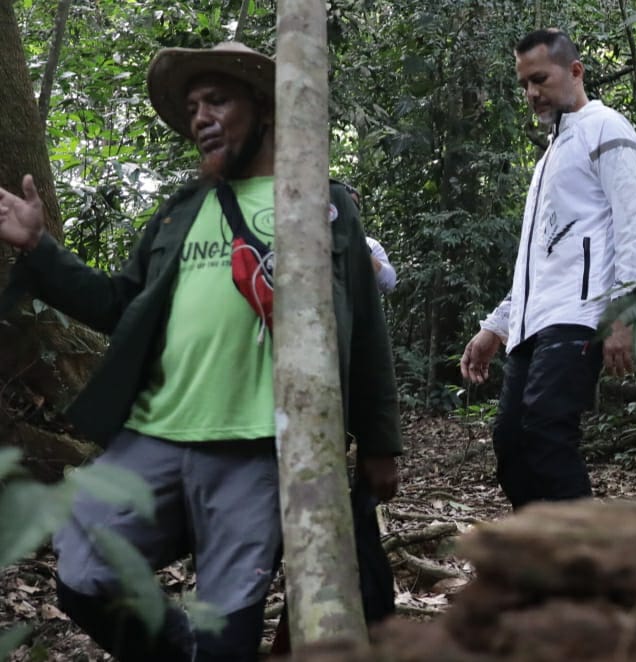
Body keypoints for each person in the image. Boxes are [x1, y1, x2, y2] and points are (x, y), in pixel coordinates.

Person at [0, 42, 401, 661]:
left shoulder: (324, 204)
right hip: (153, 436)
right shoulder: (180, 213)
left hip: (258, 450)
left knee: (228, 627)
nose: (200, 117)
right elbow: (116, 302)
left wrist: (379, 443)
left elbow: (365, 329)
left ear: (263, 109)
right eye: (192, 107)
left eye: (217, 100)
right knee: (83, 573)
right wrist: (39, 247)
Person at [459, 29, 636, 511]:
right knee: (511, 443)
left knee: (546, 430)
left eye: (540, 79)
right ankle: (540, 562)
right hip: (533, 324)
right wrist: (496, 327)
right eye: (524, 83)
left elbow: (635, 225)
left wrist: (625, 314)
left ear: (575, 71)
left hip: (581, 314)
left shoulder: (607, 128)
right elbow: (537, 259)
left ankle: (587, 563)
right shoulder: (549, 155)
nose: (531, 93)